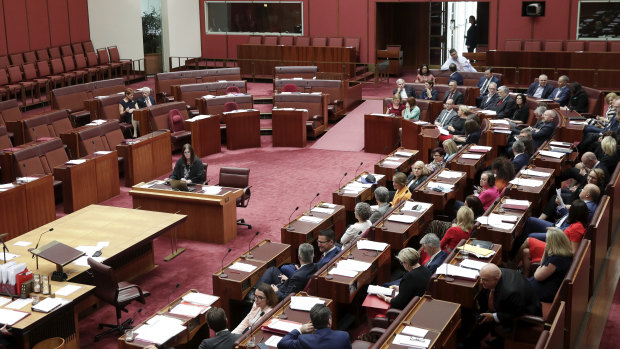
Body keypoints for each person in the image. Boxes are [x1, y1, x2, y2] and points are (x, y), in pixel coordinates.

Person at [466, 264, 541, 347]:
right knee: (481, 318)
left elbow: (515, 313)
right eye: (481, 279)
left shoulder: (511, 292)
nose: (481, 282)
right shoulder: (498, 272)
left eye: (485, 280)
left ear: (496, 279)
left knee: (483, 323)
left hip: (524, 314)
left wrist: (494, 316)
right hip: (512, 304)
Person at [528, 228, 574, 302]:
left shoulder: (556, 260)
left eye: (547, 241)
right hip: (546, 286)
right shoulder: (566, 254)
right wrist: (545, 252)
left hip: (546, 292)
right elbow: (542, 264)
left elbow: (537, 276)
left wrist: (539, 268)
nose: (546, 243)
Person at [277, 304, 351, 349]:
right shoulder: (343, 336)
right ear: (329, 321)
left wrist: (299, 330)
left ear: (312, 322)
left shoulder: (304, 340)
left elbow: (282, 343)